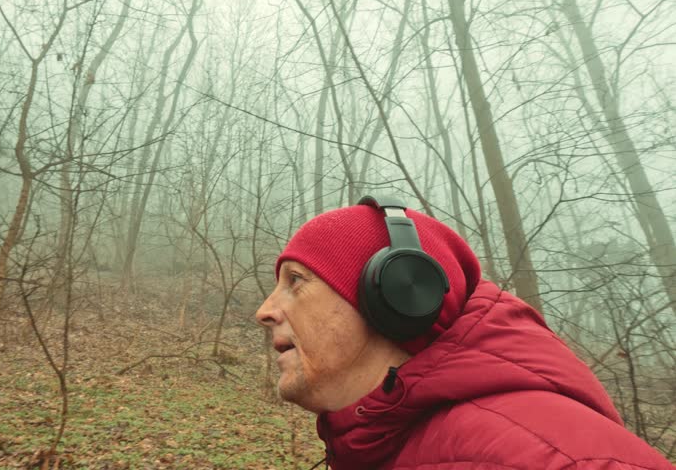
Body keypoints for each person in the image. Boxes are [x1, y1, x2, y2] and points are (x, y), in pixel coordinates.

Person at [255, 196, 673, 469]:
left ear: (397, 298)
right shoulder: (400, 443)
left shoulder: (551, 456)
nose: (265, 311)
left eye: (296, 281)